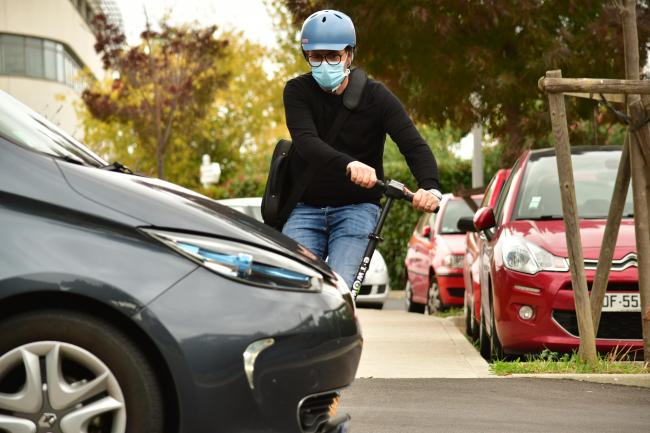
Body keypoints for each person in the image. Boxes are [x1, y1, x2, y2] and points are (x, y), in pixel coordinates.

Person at [282, 9, 441, 289]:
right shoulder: (297, 91)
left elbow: (413, 144)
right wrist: (349, 164)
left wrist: (430, 187)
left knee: (340, 291)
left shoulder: (377, 97)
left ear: (350, 55)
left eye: (333, 56)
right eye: (316, 57)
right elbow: (306, 142)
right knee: (295, 289)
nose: (324, 63)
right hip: (305, 209)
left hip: (356, 210)